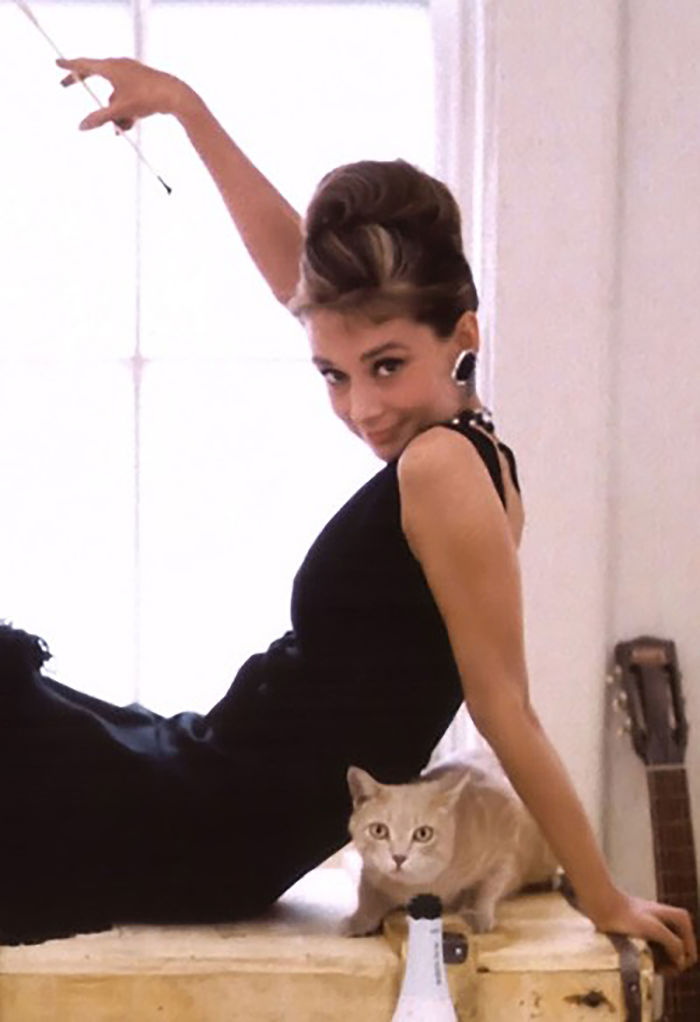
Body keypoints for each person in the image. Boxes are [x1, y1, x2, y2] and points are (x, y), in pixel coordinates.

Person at [0, 55, 695, 975]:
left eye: (388, 366)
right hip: (209, 766)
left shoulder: (444, 469)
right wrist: (187, 110)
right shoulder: (467, 450)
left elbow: (507, 708)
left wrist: (600, 891)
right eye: (334, 373)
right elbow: (303, 279)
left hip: (217, 820)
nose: (362, 407)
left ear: (465, 335)